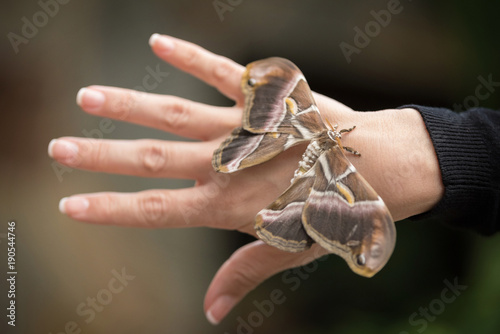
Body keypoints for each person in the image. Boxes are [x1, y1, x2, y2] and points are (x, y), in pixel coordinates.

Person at [47, 34, 500, 325]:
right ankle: (267, 180)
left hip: (319, 153)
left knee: (292, 167)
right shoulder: (338, 156)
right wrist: (451, 152)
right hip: (325, 159)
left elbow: (371, 235)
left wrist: (428, 156)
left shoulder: (332, 145)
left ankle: (276, 195)